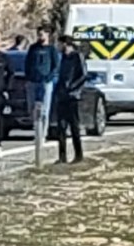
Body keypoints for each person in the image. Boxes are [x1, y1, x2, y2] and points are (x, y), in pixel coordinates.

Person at [53, 35, 88, 163]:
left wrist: (73, 88)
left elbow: (83, 75)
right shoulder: (63, 58)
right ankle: (62, 157)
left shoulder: (77, 56)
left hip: (73, 96)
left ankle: (78, 155)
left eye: (60, 44)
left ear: (65, 44)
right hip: (62, 96)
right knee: (61, 127)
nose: (58, 47)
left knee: (74, 127)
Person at [24, 25, 61, 143]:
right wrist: (28, 77)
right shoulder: (33, 48)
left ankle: (43, 134)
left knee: (45, 109)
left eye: (42, 34)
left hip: (46, 82)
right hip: (32, 81)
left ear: (47, 35)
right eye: (38, 34)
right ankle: (36, 130)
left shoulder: (51, 49)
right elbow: (28, 63)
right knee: (32, 108)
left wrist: (49, 77)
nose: (40, 36)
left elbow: (56, 66)